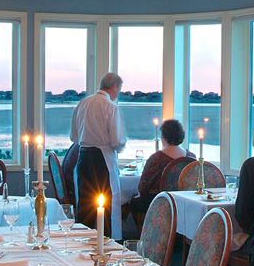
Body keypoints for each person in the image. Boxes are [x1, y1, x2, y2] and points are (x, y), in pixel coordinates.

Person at [70, 73, 127, 237]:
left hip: (82, 157)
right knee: (105, 203)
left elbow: (74, 137)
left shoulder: (83, 103)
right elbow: (117, 140)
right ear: (115, 87)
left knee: (85, 203)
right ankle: (107, 241)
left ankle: (82, 239)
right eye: (119, 89)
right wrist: (120, 146)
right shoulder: (110, 106)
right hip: (101, 159)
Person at [131, 119, 195, 225]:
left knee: (134, 202)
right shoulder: (191, 157)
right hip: (185, 202)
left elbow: (143, 187)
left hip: (161, 202)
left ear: (164, 137)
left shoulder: (156, 158)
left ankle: (147, 234)